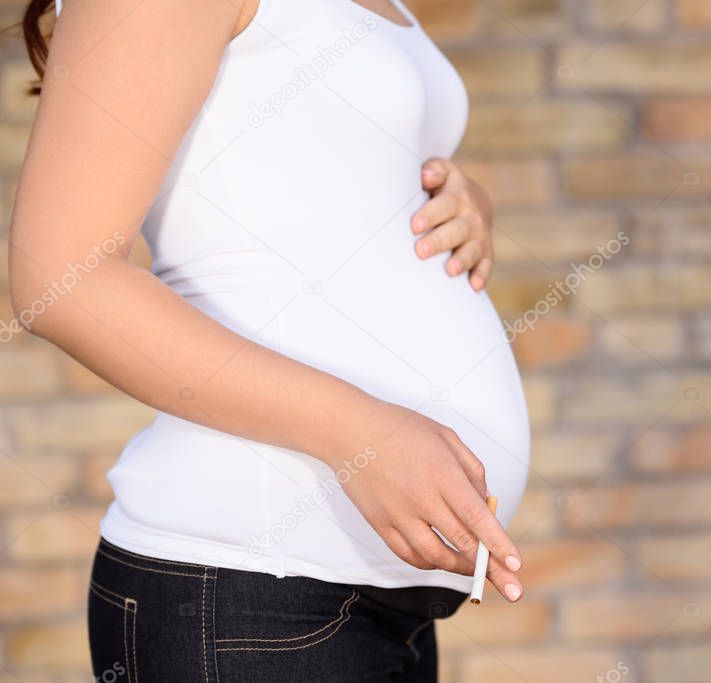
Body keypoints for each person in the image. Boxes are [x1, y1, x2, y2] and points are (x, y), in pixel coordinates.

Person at [7, 0, 531, 679]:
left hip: (362, 609)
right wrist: (356, 434)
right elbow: (60, 280)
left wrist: (461, 202)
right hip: (247, 591)